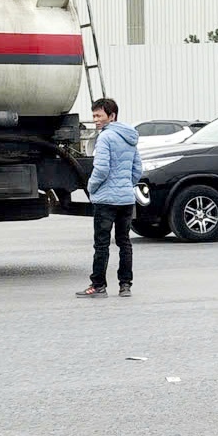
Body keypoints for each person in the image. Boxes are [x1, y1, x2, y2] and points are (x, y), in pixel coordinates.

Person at [76, 98, 143, 299]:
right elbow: (137, 169)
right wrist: (125, 185)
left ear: (111, 116)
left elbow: (102, 168)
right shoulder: (129, 137)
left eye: (99, 115)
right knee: (124, 242)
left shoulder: (105, 138)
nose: (95, 119)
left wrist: (91, 186)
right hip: (125, 199)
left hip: (106, 200)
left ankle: (98, 285)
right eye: (94, 115)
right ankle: (125, 285)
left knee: (102, 244)